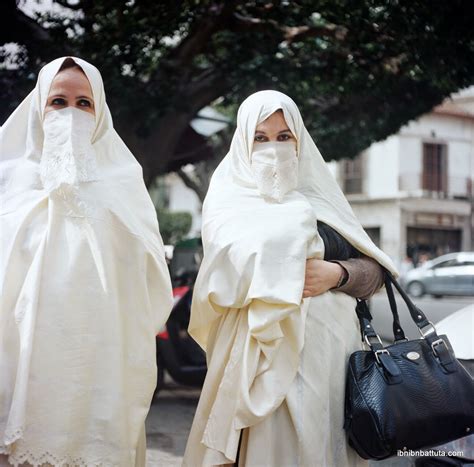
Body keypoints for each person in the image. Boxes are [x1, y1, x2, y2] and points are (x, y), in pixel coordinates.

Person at [183, 90, 398, 466]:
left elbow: (376, 273)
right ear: (243, 143)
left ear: (300, 140)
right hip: (261, 361)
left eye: (284, 137)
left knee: (322, 445)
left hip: (332, 359)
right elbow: (222, 281)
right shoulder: (226, 202)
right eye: (260, 138)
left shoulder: (323, 200)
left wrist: (338, 273)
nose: (273, 148)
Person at [0, 57, 173, 466]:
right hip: (20, 369)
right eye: (58, 102)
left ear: (100, 115)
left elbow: (151, 288)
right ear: (39, 108)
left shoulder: (123, 185)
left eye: (84, 103)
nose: (71, 114)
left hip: (101, 371)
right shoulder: (8, 182)